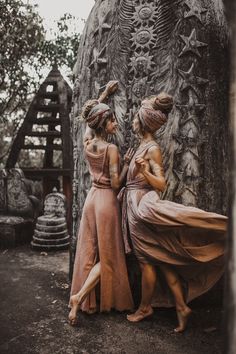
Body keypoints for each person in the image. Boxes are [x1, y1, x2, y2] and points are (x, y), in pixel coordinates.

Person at [118, 92, 227, 332]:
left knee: (146, 261)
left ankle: (145, 308)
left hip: (141, 209)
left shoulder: (152, 149)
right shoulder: (141, 147)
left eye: (136, 118)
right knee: (163, 258)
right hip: (135, 205)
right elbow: (127, 180)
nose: (133, 121)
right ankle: (181, 306)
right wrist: (129, 165)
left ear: (144, 121)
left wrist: (143, 172)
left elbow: (161, 184)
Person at [69, 82, 134, 325]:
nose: (115, 124)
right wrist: (127, 164)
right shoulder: (112, 149)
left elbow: (89, 123)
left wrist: (104, 94)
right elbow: (117, 184)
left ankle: (86, 302)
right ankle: (79, 298)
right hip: (107, 201)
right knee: (106, 257)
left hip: (91, 200)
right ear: (103, 124)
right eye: (111, 121)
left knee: (88, 251)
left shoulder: (88, 143)